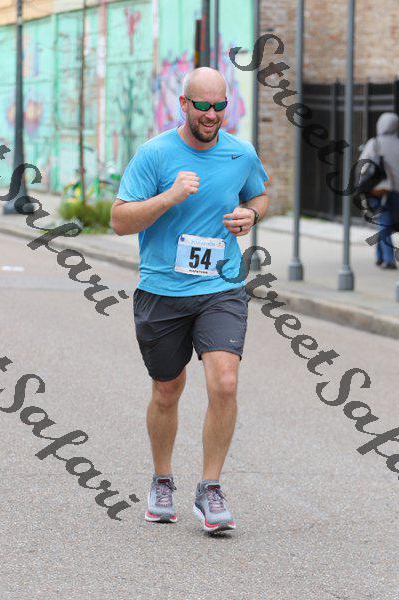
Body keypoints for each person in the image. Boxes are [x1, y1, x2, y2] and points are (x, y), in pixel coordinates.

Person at [111, 67, 269, 533]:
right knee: (167, 389)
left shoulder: (241, 153)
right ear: (183, 104)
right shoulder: (155, 154)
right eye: (203, 106)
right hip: (162, 291)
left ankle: (210, 488)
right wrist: (170, 196)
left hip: (221, 288)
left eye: (220, 106)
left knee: (225, 382)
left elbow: (260, 195)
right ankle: (162, 480)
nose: (212, 115)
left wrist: (250, 215)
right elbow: (119, 221)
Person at [359, 112, 399, 269]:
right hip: (396, 191)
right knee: (386, 222)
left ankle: (388, 259)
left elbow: (363, 166)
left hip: (377, 190)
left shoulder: (374, 143)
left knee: (383, 222)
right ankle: (380, 256)